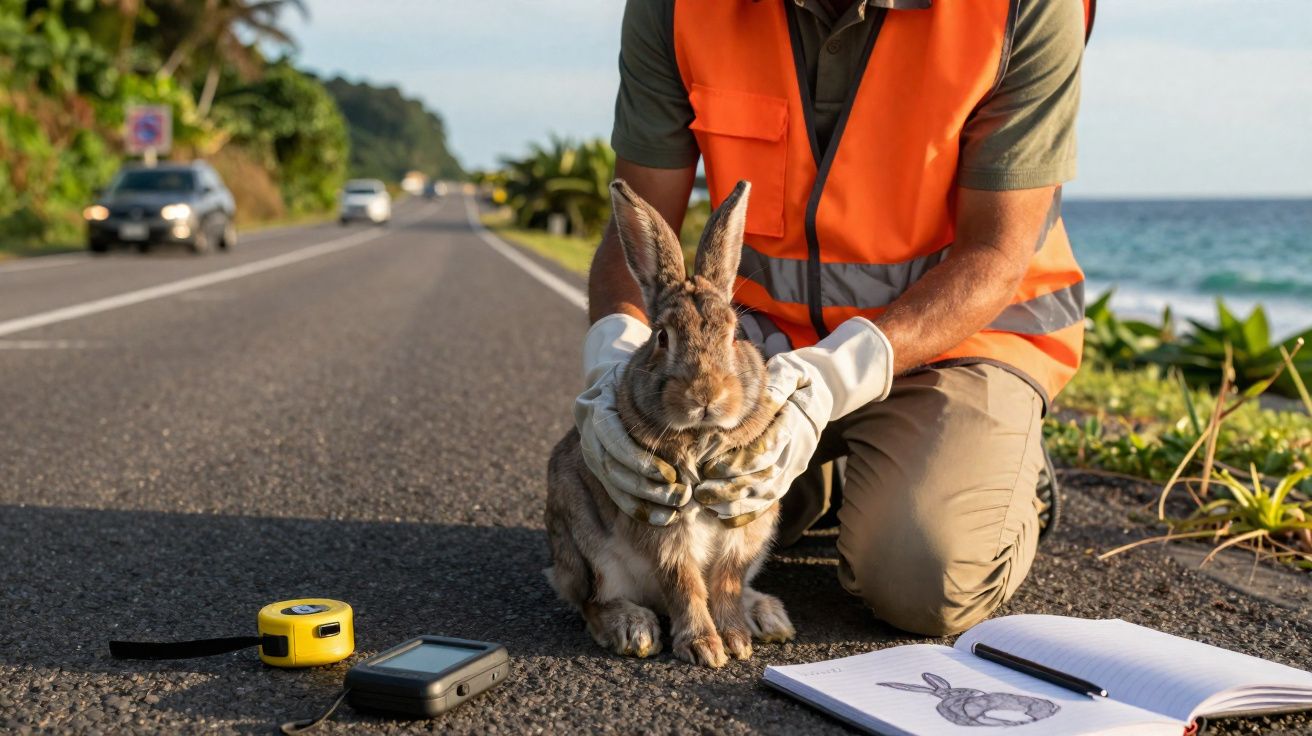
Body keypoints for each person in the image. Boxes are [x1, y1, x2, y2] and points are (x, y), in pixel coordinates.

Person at [576, 0, 1092, 636]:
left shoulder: (1022, 8)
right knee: (656, 537)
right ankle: (831, 476)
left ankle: (994, 469)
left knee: (923, 576)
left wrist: (830, 381)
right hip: (762, 362)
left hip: (958, 341)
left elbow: (995, 253)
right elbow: (638, 225)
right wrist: (612, 370)